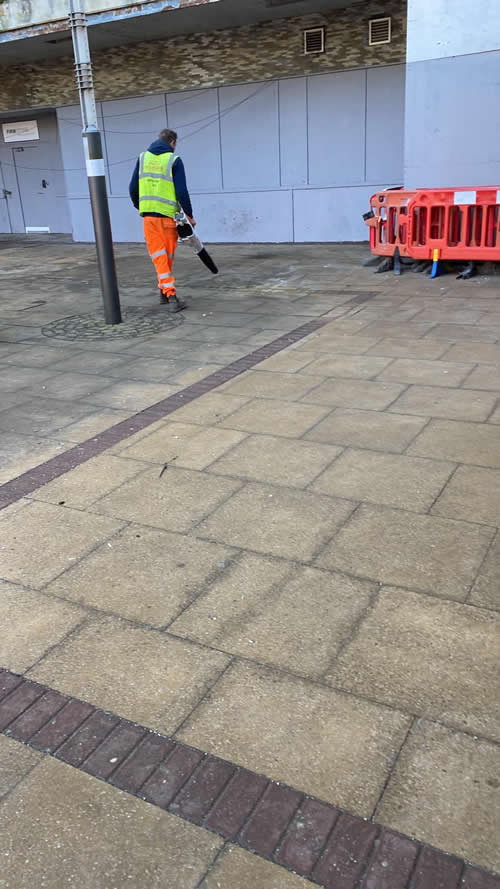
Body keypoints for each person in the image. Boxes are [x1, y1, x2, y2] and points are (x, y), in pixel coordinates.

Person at [129, 128, 195, 312]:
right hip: (168, 217)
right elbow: (182, 191)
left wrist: (141, 206)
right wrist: (189, 215)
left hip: (148, 217)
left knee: (159, 257)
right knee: (166, 258)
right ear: (172, 142)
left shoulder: (143, 158)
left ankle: (163, 293)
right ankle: (172, 296)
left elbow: (132, 188)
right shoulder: (174, 160)